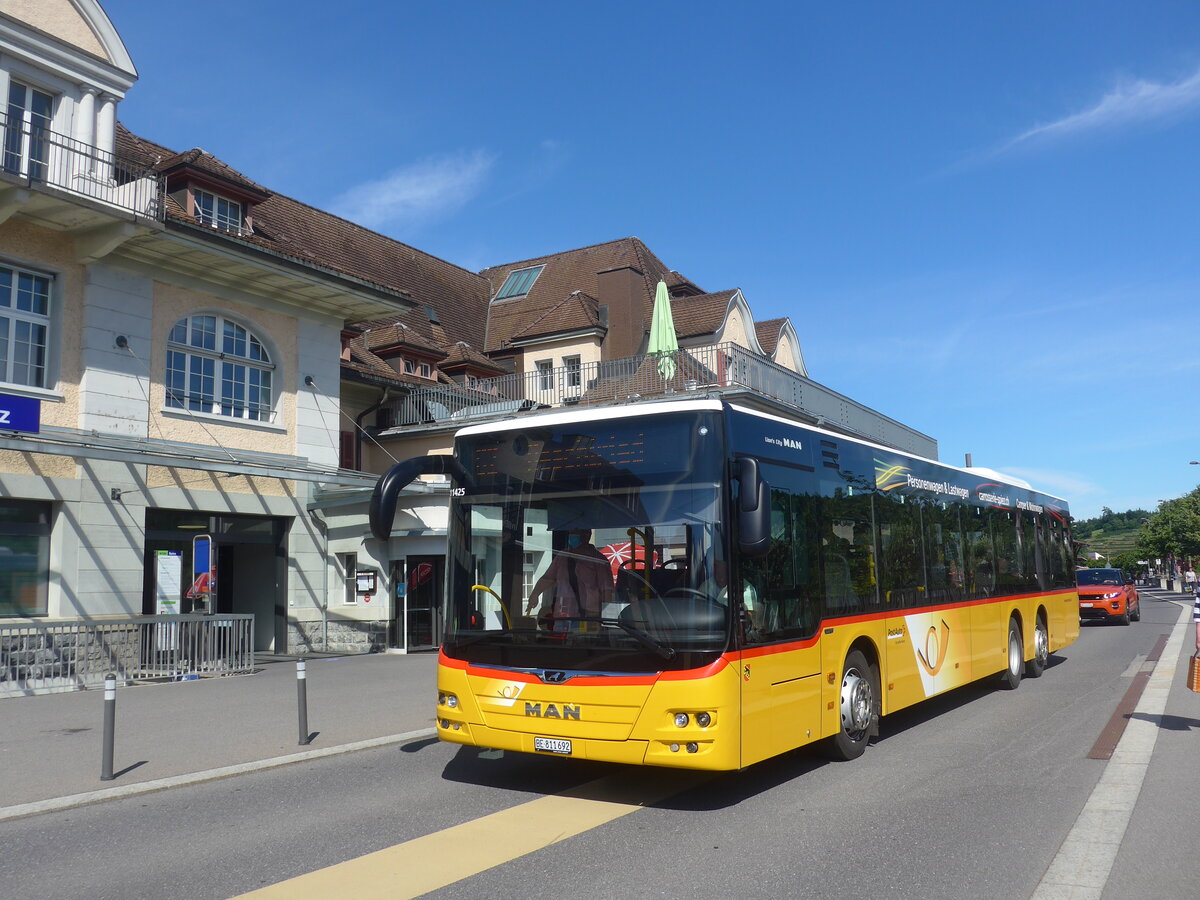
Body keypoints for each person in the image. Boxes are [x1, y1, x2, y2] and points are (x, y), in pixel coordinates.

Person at [526, 528, 612, 631]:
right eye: (570, 532)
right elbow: (548, 578)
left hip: (587, 618)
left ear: (586, 535)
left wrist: (604, 619)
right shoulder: (562, 556)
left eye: (575, 532)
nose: (571, 536)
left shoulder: (598, 560)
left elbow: (607, 591)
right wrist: (535, 594)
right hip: (561, 616)